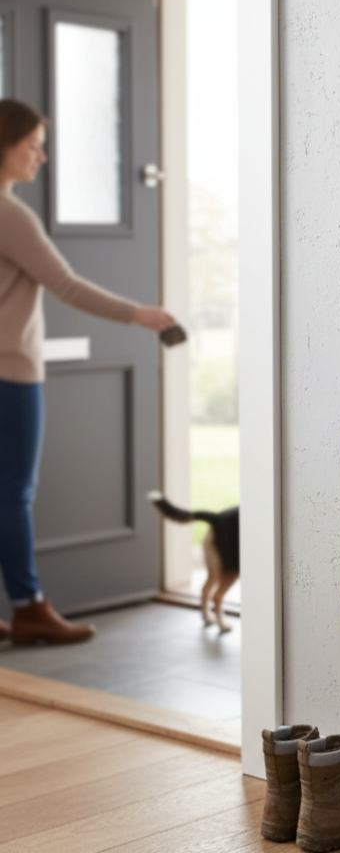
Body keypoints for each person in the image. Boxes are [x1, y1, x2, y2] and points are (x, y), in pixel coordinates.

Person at [0, 98, 179, 645]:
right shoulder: (10, 215)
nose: (42, 156)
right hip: (11, 375)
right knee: (13, 494)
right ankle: (29, 606)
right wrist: (140, 314)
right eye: (32, 146)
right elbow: (68, 286)